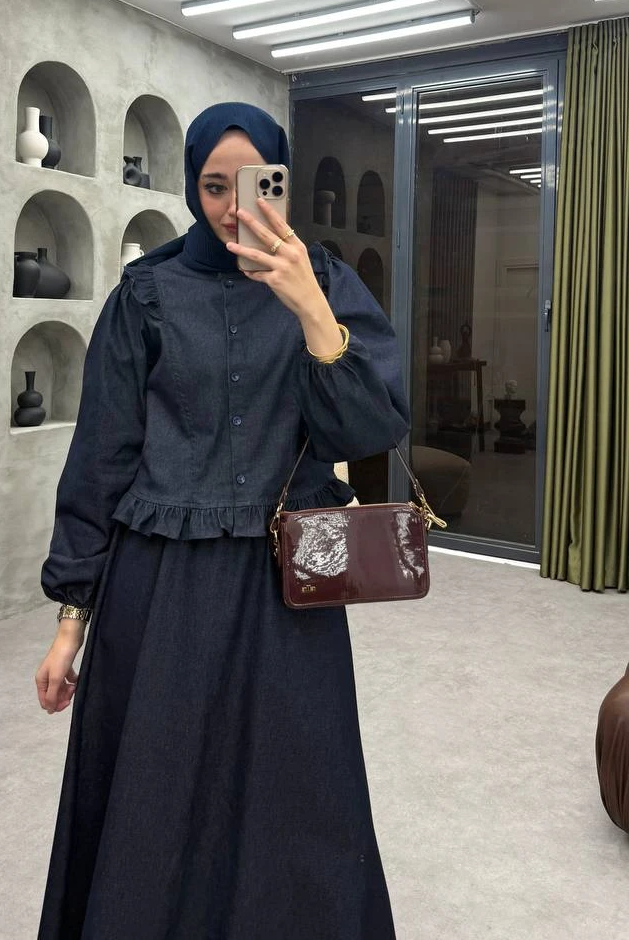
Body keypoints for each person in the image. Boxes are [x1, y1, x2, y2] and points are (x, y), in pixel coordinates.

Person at [35, 101, 410, 940]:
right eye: (213, 186)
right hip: (162, 588)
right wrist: (70, 621)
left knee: (298, 796)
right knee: (158, 794)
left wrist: (311, 311)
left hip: (290, 591)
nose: (234, 207)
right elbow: (100, 459)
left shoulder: (326, 281)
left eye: (256, 184)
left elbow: (372, 429)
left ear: (282, 181)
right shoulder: (146, 294)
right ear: (189, 185)